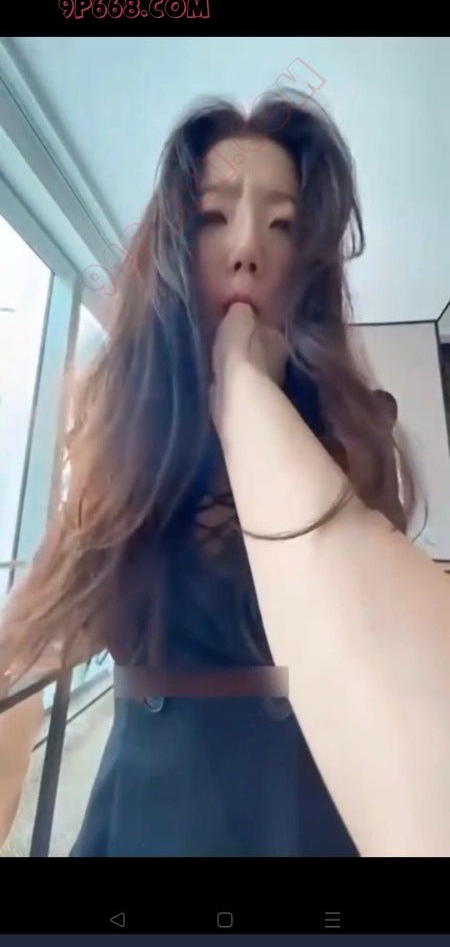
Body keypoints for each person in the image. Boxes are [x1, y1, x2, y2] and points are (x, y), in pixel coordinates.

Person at [0, 87, 438, 856]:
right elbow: (20, 661)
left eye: (283, 225)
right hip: (148, 821)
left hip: (313, 819)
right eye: (214, 216)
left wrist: (242, 390)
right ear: (175, 243)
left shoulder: (352, 437)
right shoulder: (125, 449)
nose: (247, 249)